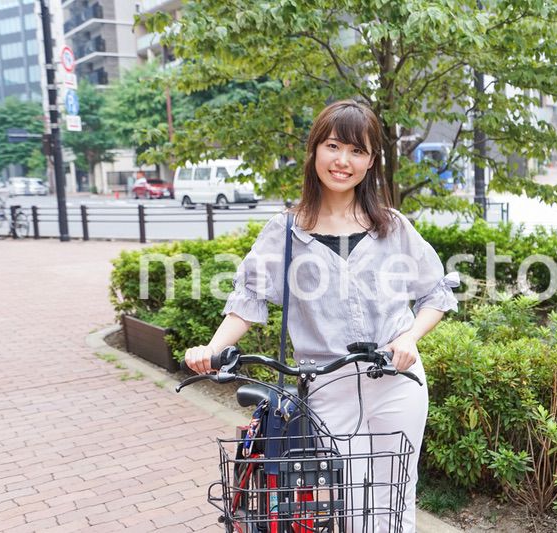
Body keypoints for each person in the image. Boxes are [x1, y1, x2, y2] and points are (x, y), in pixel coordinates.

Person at [184, 99, 458, 532]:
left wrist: (409, 338)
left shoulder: (392, 227)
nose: (342, 161)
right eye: (333, 146)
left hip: (398, 381)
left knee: (395, 498)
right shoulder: (286, 231)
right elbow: (249, 298)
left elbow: (436, 292)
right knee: (352, 503)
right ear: (314, 151)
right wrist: (212, 349)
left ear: (371, 161)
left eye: (357, 150)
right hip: (328, 387)